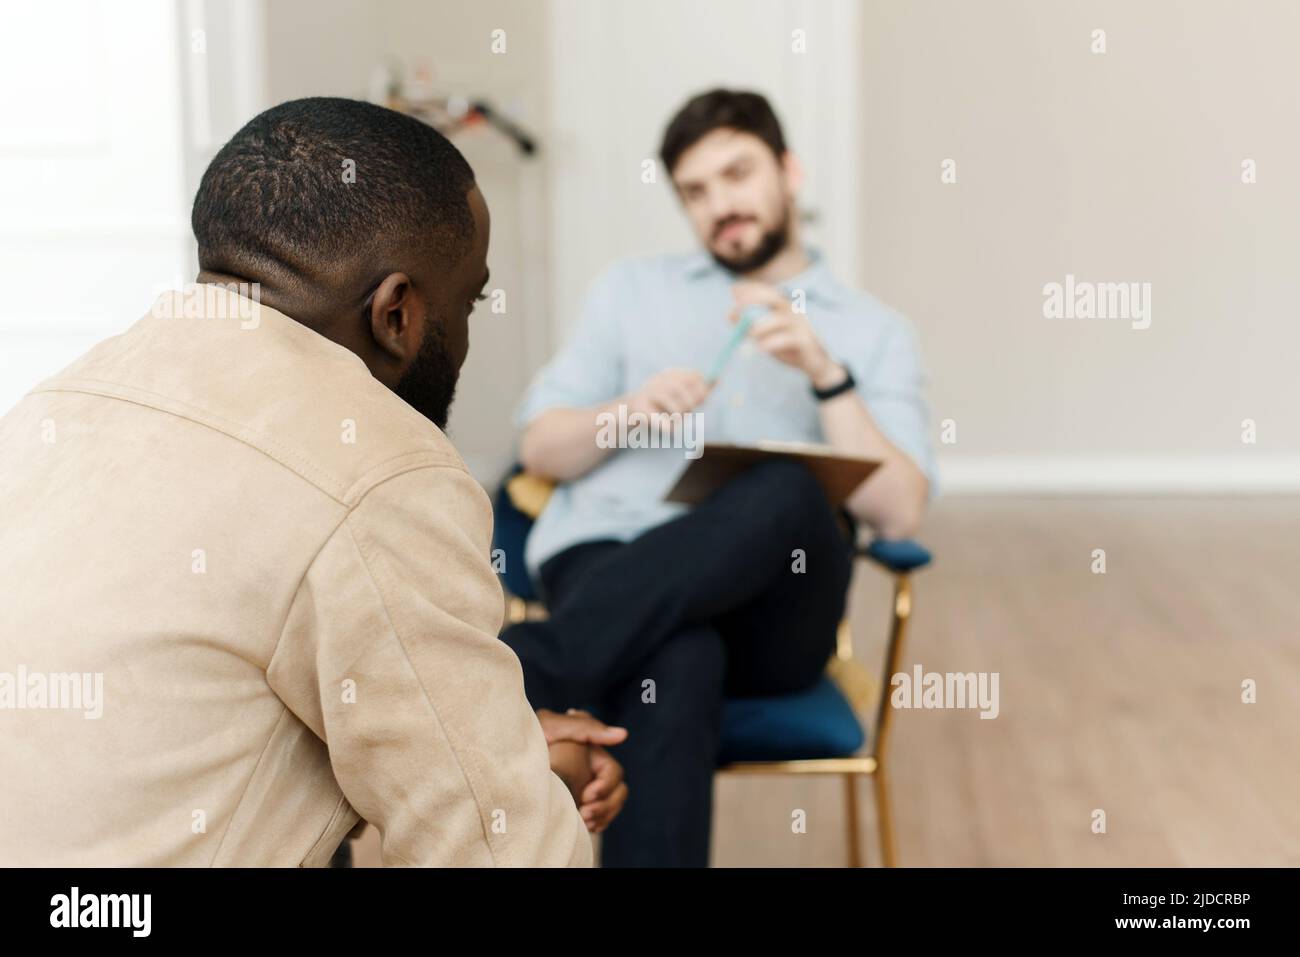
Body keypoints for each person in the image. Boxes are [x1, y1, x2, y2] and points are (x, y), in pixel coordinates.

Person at [0, 97, 625, 866]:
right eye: (467, 302)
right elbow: (502, 854)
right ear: (397, 312)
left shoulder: (57, 405)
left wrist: (495, 744)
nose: (465, 335)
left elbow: (175, 717)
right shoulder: (380, 468)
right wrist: (521, 792)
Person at [501, 89, 936, 867]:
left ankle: (529, 662)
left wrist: (825, 375)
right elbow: (540, 451)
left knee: (788, 488)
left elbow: (900, 513)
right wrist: (627, 412)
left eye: (737, 174)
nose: (720, 206)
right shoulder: (630, 291)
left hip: (771, 616)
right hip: (612, 565)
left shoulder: (872, 331)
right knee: (678, 656)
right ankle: (559, 651)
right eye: (695, 192)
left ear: (790, 171)